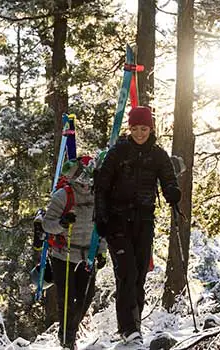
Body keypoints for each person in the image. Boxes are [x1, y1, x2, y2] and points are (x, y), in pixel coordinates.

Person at [94, 106, 181, 345]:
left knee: (139, 275)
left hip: (144, 220)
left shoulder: (158, 155)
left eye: (144, 129)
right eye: (135, 129)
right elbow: (101, 186)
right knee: (127, 272)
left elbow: (168, 179)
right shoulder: (118, 152)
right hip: (117, 220)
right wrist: (100, 216)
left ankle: (135, 327)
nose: (139, 133)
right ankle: (128, 327)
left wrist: (172, 192)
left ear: (150, 129)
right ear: (129, 129)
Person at [42, 156, 107, 350]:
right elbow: (47, 224)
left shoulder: (99, 196)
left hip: (88, 255)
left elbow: (102, 227)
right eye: (81, 176)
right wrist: (62, 225)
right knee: (67, 299)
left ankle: (70, 332)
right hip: (64, 255)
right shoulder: (63, 196)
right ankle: (67, 339)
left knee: (86, 297)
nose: (85, 182)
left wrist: (101, 252)